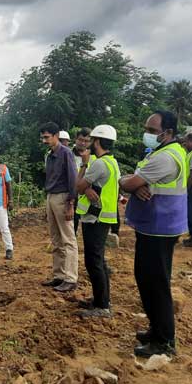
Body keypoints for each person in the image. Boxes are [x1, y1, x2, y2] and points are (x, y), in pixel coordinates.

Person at [120, 110, 187, 357]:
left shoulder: (166, 157)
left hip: (159, 228)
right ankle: (156, 329)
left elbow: (128, 182)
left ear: (168, 133)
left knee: (155, 283)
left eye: (151, 131)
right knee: (147, 279)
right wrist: (135, 184)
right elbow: (135, 182)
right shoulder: (162, 152)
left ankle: (164, 341)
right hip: (155, 226)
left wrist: (130, 183)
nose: (146, 134)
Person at [75, 125, 119, 318]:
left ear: (98, 141)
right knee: (98, 260)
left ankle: (102, 306)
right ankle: (102, 300)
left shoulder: (99, 164)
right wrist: (87, 189)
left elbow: (78, 186)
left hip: (95, 218)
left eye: (92, 140)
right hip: (103, 216)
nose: (90, 144)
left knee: (94, 262)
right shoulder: (112, 162)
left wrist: (84, 165)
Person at [40, 122, 79, 292]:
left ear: (56, 136)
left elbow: (73, 180)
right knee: (56, 239)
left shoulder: (66, 154)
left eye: (47, 137)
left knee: (68, 239)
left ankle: (71, 278)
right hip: (51, 197)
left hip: (63, 197)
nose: (44, 140)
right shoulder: (50, 155)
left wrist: (71, 203)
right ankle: (59, 275)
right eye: (42, 137)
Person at [71, 128, 93, 234]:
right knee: (73, 218)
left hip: (88, 193)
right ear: (75, 139)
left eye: (86, 140)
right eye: (80, 139)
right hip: (73, 192)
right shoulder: (68, 155)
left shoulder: (94, 156)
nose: (83, 143)